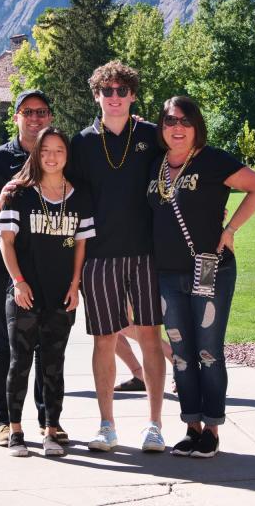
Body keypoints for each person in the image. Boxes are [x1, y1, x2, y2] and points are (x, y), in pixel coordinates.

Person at [147, 96, 255, 458]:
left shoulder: (214, 160)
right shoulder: (155, 166)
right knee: (182, 355)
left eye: (185, 121)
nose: (177, 128)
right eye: (170, 121)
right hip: (168, 276)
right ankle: (191, 427)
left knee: (208, 352)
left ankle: (212, 431)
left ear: (196, 125)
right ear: (162, 127)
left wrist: (231, 229)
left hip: (210, 271)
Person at [70, 60, 167, 453]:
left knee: (150, 338)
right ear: (96, 96)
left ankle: (155, 425)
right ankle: (106, 425)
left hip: (146, 254)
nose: (113, 97)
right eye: (106, 91)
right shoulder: (81, 142)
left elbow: (179, 171)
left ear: (132, 95)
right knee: (104, 339)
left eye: (121, 91)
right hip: (99, 256)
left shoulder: (151, 134)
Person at [0, 89, 68, 447]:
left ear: (50, 117)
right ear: (16, 117)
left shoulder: (57, 154)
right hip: (2, 261)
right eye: (28, 112)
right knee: (4, 341)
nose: (35, 118)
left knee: (46, 343)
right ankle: (5, 421)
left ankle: (47, 420)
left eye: (41, 112)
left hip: (46, 260)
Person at [0, 128, 95, 457]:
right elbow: (6, 242)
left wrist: (74, 285)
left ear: (68, 155)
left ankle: (51, 430)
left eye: (59, 150)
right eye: (45, 151)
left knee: (54, 364)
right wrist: (19, 282)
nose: (52, 157)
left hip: (60, 295)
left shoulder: (79, 195)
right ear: (36, 155)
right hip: (25, 294)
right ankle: (15, 432)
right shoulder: (19, 194)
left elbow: (81, 245)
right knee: (19, 363)